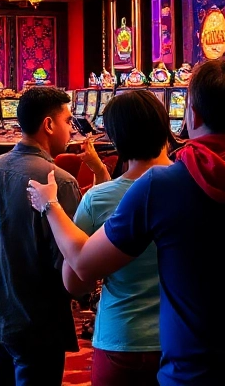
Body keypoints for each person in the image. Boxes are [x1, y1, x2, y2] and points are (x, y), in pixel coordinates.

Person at [27, 59, 225, 386]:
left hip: (194, 372)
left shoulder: (159, 186)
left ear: (191, 115)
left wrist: (50, 204)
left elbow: (81, 267)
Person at [0, 86, 83, 386]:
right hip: (36, 322)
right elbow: (70, 264)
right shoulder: (60, 182)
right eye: (68, 121)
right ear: (48, 124)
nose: (72, 129)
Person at [69, 91, 169, 385]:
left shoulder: (97, 199)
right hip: (185, 336)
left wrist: (50, 208)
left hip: (123, 336)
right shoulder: (193, 185)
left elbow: (76, 281)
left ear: (115, 138)